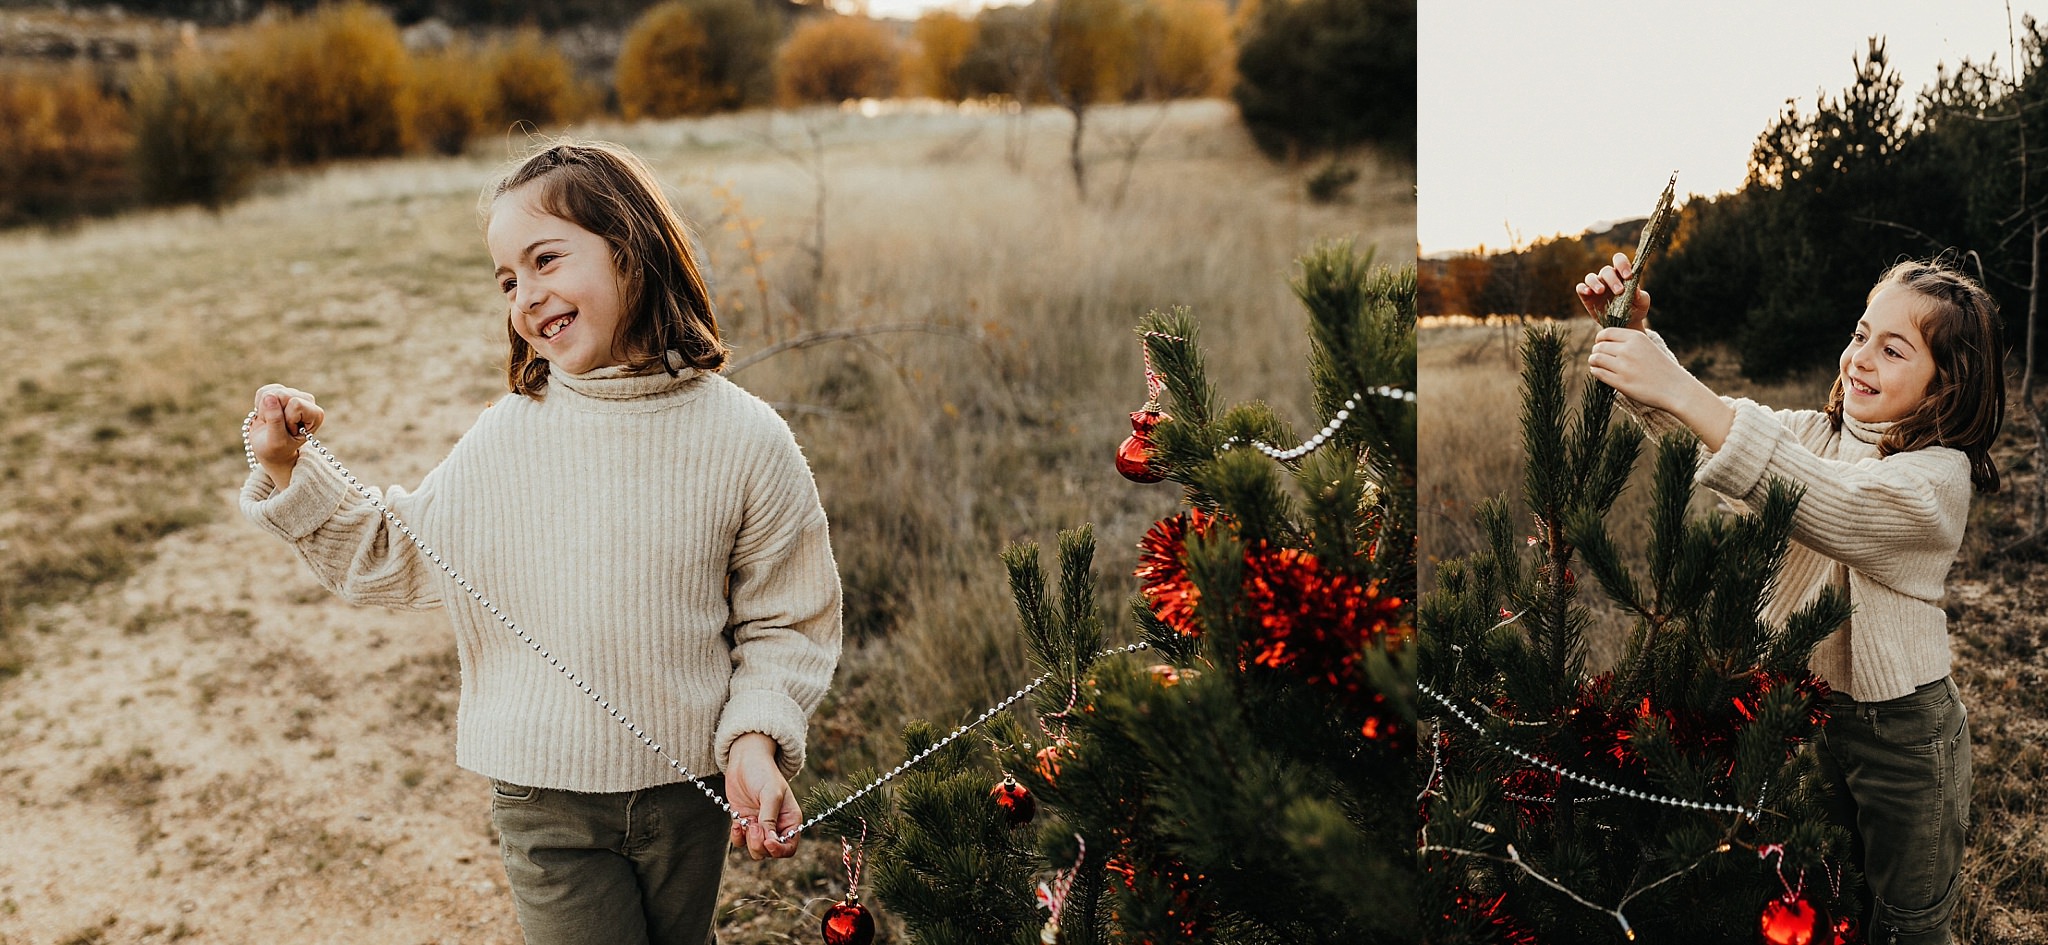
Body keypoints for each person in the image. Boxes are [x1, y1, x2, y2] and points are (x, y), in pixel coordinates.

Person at [240, 140, 842, 945]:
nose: (526, 295)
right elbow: (394, 551)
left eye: (545, 259)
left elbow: (786, 617)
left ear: (631, 246)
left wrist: (756, 739)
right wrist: (289, 468)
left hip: (687, 795)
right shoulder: (508, 437)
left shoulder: (747, 439)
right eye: (507, 280)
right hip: (545, 803)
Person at [1577, 253, 2003, 945]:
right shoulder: (1814, 434)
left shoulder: (1938, 479)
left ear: (1944, 387)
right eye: (1861, 334)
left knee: (1905, 922)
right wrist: (1638, 339)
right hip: (1802, 713)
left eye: (1892, 349)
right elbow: (1708, 428)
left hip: (1905, 734)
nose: (1860, 358)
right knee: (1821, 897)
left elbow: (1835, 502)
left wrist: (1682, 387)